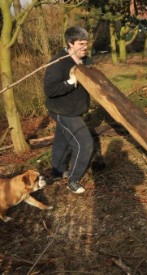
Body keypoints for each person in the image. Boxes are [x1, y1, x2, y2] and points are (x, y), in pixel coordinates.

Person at [43, 26, 93, 194]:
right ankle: (73, 179)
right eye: (81, 44)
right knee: (84, 143)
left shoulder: (87, 60)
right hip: (62, 110)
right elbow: (50, 90)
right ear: (70, 43)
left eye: (86, 43)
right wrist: (70, 82)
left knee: (62, 140)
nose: (85, 47)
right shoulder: (58, 63)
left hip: (76, 109)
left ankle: (57, 171)